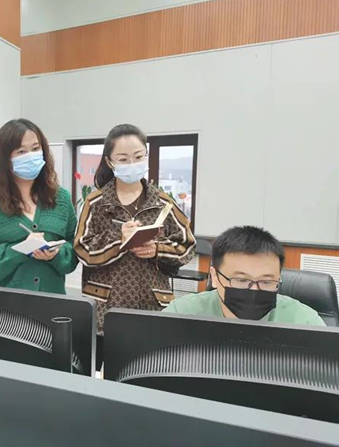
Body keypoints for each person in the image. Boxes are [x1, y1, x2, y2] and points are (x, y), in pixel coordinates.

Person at [74, 123, 196, 365]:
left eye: (138, 157)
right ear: (110, 162)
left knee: (148, 370)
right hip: (105, 310)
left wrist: (157, 249)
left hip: (152, 306)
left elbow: (187, 245)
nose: (132, 163)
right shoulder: (96, 202)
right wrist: (119, 239)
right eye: (123, 159)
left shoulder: (163, 202)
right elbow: (82, 249)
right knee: (101, 374)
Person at [0, 118, 78, 294]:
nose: (30, 156)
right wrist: (17, 251)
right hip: (2, 305)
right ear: (5, 158)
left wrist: (57, 254)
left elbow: (74, 248)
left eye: (36, 149)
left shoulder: (61, 198)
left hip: (51, 302)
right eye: (21, 151)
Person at [165, 226, 325, 326]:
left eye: (267, 282)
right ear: (215, 277)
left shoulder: (304, 321)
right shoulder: (182, 314)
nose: (254, 290)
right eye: (241, 280)